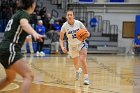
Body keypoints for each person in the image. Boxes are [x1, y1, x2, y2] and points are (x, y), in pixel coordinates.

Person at [0, 0, 43, 93]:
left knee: (10, 78)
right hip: (11, 49)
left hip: (4, 49)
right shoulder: (25, 14)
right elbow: (24, 24)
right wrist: (34, 33)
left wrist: (27, 38)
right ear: (31, 4)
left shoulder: (17, 14)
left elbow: (17, 32)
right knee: (29, 75)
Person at [59, 10, 90, 85]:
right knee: (75, 64)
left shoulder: (78, 23)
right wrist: (62, 47)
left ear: (73, 16)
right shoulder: (64, 26)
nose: (69, 16)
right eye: (68, 15)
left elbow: (87, 32)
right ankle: (78, 71)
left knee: (82, 59)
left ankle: (86, 78)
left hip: (81, 43)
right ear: (66, 17)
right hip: (72, 46)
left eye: (71, 15)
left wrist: (86, 35)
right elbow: (61, 38)